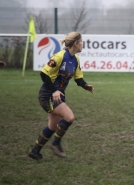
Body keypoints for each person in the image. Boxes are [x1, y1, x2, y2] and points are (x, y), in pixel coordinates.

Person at [28, 32, 94, 160]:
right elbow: (44, 74)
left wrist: (86, 86)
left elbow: (78, 78)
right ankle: (55, 144)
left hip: (58, 95)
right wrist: (54, 91)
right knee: (69, 117)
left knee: (52, 127)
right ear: (76, 43)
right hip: (48, 94)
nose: (82, 44)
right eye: (81, 41)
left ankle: (35, 151)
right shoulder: (59, 56)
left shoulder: (75, 59)